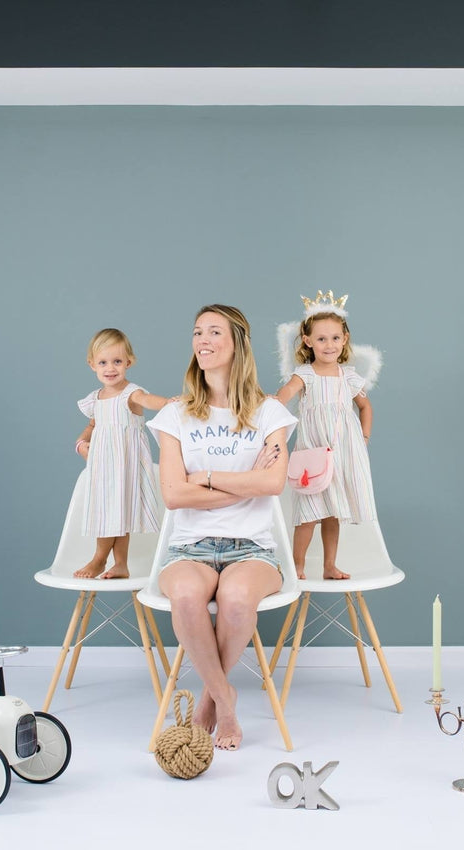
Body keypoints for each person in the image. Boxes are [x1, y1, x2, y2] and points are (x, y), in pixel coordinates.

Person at [146, 305, 296, 750]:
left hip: (253, 548)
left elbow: (273, 482)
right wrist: (244, 484)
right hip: (188, 546)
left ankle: (210, 700)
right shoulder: (175, 415)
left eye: (214, 331)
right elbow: (174, 494)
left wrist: (207, 478)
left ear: (237, 344)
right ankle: (226, 697)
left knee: (234, 600)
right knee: (188, 596)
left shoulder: (269, 412)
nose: (203, 340)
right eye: (197, 332)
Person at [275, 292, 379, 580]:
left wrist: (364, 436)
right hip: (313, 452)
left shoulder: (348, 377)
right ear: (308, 341)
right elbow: (284, 395)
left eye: (335, 338)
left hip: (342, 452)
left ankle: (329, 565)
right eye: (321, 339)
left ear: (344, 339)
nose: (329, 344)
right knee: (309, 512)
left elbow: (365, 406)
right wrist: (270, 404)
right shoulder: (305, 374)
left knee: (333, 513)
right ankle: (297, 564)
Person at [73, 328, 171, 579]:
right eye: (103, 362)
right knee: (110, 512)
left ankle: (101, 560)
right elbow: (93, 425)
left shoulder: (131, 394)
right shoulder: (96, 398)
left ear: (129, 362)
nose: (110, 368)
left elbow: (151, 401)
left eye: (117, 361)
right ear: (92, 364)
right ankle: (117, 564)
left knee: (118, 512)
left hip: (125, 465)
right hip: (104, 467)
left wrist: (174, 403)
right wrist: (83, 441)